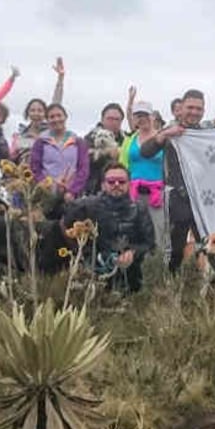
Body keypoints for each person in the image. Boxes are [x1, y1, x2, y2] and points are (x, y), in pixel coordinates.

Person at [139, 89, 215, 273]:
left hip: (204, 200)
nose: (194, 112)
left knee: (209, 244)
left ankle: (208, 285)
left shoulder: (205, 131)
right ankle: (172, 287)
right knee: (175, 247)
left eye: (199, 109)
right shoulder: (171, 130)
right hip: (176, 198)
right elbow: (146, 151)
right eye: (190, 107)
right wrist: (165, 135)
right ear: (180, 108)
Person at [65, 163, 155, 294]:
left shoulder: (139, 209)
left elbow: (150, 245)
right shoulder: (87, 207)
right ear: (103, 184)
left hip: (131, 274)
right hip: (94, 273)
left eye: (122, 181)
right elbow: (64, 226)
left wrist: (133, 253)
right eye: (111, 181)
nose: (116, 184)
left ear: (129, 184)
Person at [119, 98, 167, 252]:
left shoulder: (163, 138)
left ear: (152, 116)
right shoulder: (130, 139)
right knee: (132, 232)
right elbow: (124, 165)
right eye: (138, 115)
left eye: (145, 114)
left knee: (159, 234)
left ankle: (159, 269)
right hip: (133, 193)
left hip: (157, 195)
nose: (142, 118)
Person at [30, 103, 90, 213]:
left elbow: (83, 169)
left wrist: (72, 191)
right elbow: (35, 168)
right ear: (47, 120)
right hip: (47, 196)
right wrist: (48, 184)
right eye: (52, 117)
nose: (56, 119)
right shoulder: (40, 142)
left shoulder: (78, 142)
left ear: (65, 117)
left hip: (72, 196)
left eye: (59, 115)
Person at [10, 57, 64, 165]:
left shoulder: (50, 131)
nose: (36, 113)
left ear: (45, 114)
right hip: (24, 175)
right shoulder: (21, 135)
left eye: (40, 110)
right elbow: (13, 158)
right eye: (33, 110)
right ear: (28, 113)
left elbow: (56, 103)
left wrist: (60, 78)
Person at [84, 96, 127, 193]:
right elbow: (85, 158)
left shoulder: (126, 139)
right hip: (95, 188)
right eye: (110, 119)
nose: (113, 122)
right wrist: (106, 153)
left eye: (117, 119)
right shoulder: (91, 137)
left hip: (120, 189)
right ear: (102, 119)